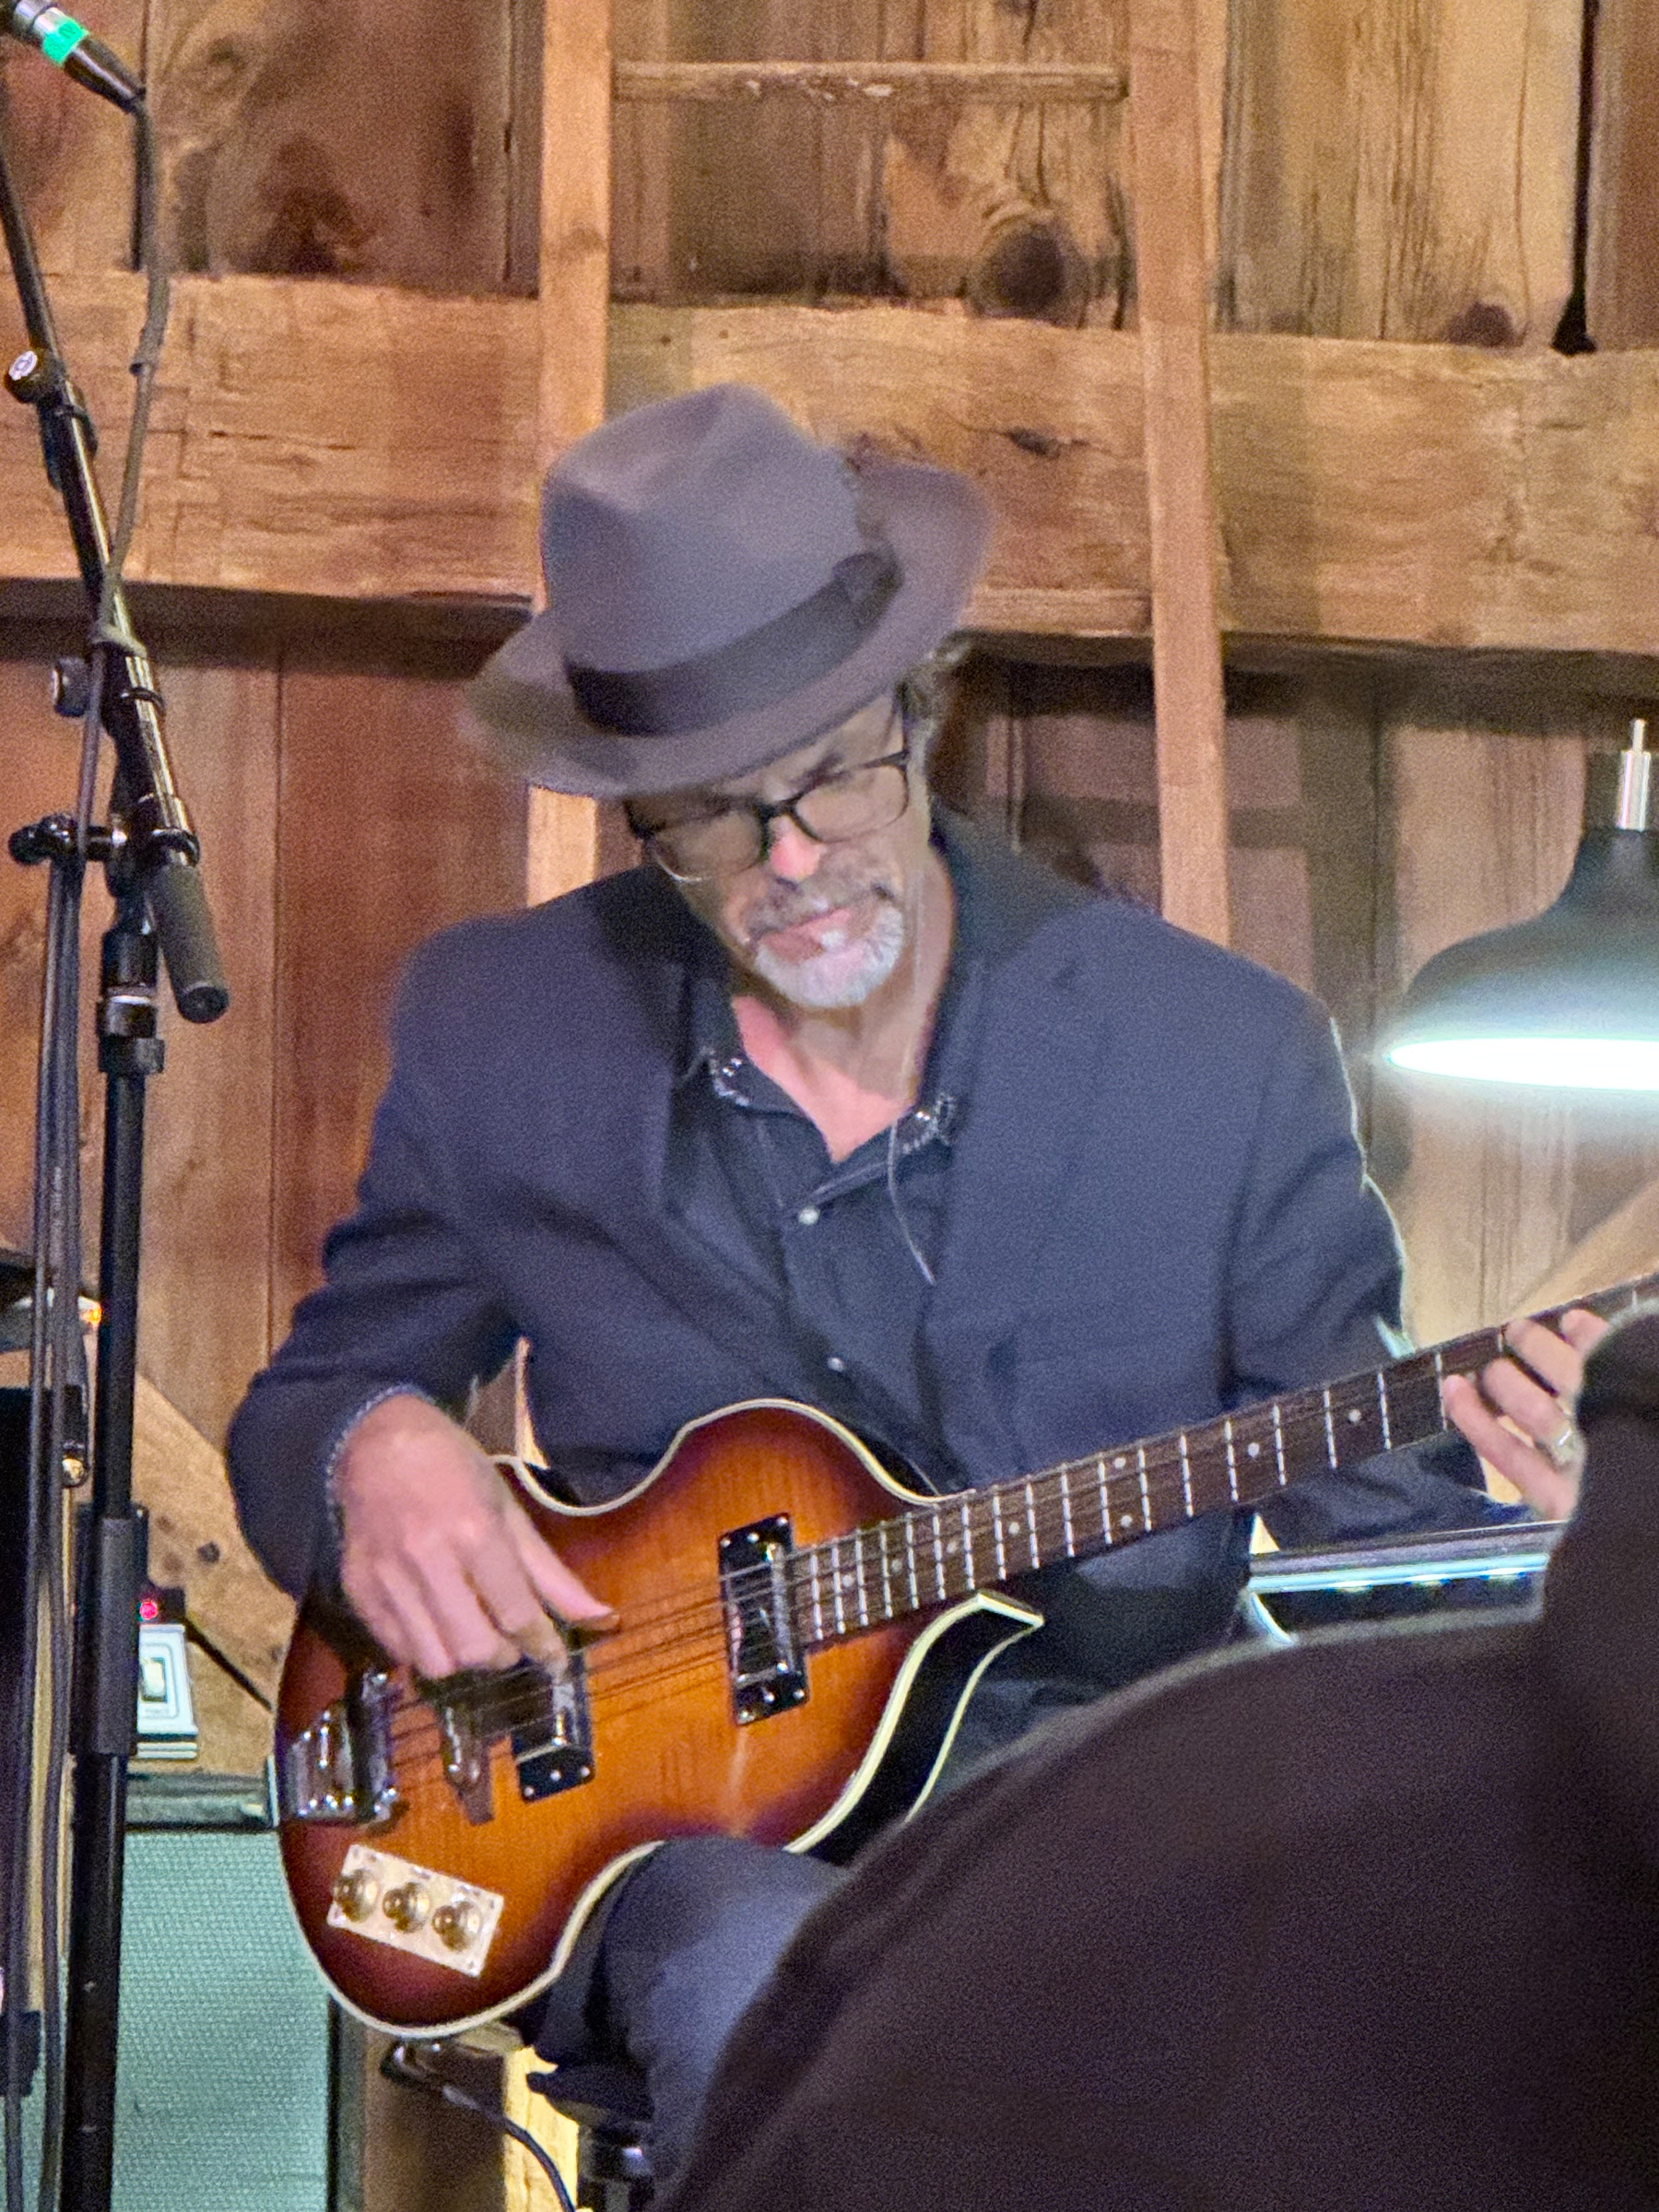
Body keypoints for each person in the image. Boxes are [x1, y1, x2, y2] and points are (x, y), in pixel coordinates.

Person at [226, 383, 1594, 2183]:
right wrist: (370, 1451)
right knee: (773, 2001)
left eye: (837, 779)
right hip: (692, 1850)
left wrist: (1558, 1545)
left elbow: (1375, 1561)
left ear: (913, 708)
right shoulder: (513, 1033)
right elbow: (306, 1406)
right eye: (712, 820)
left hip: (1119, 1817)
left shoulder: (1217, 1058)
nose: (791, 861)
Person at [651, 1309, 1659, 2212]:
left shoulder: (1234, 1107)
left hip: (1083, 1784)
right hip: (673, 1793)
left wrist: (1584, 1535)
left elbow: (1392, 1521)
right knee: (753, 1989)